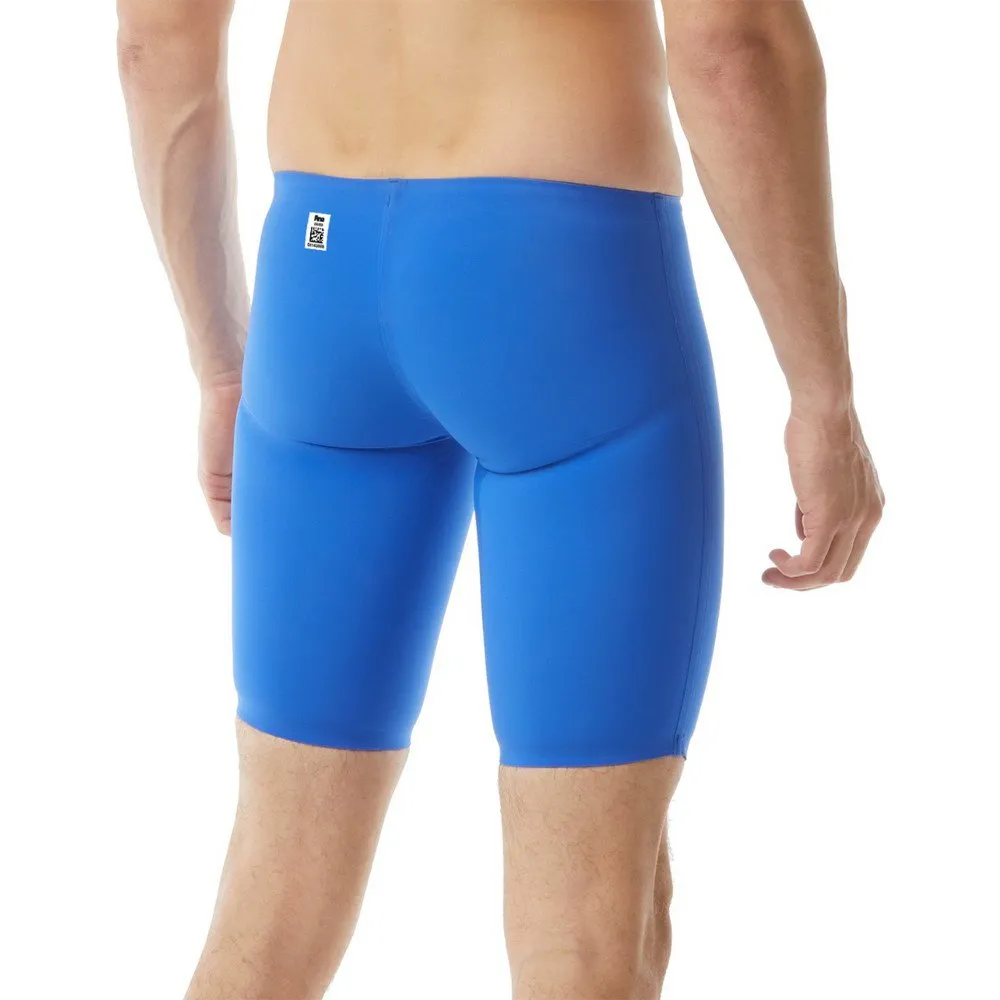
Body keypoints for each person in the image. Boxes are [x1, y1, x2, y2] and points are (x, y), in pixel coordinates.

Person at [117, 0, 884, 996]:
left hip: (318, 277)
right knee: (587, 933)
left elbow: (156, 38)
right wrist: (822, 395)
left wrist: (222, 364)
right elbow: (732, 43)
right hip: (560, 281)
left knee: (271, 906)